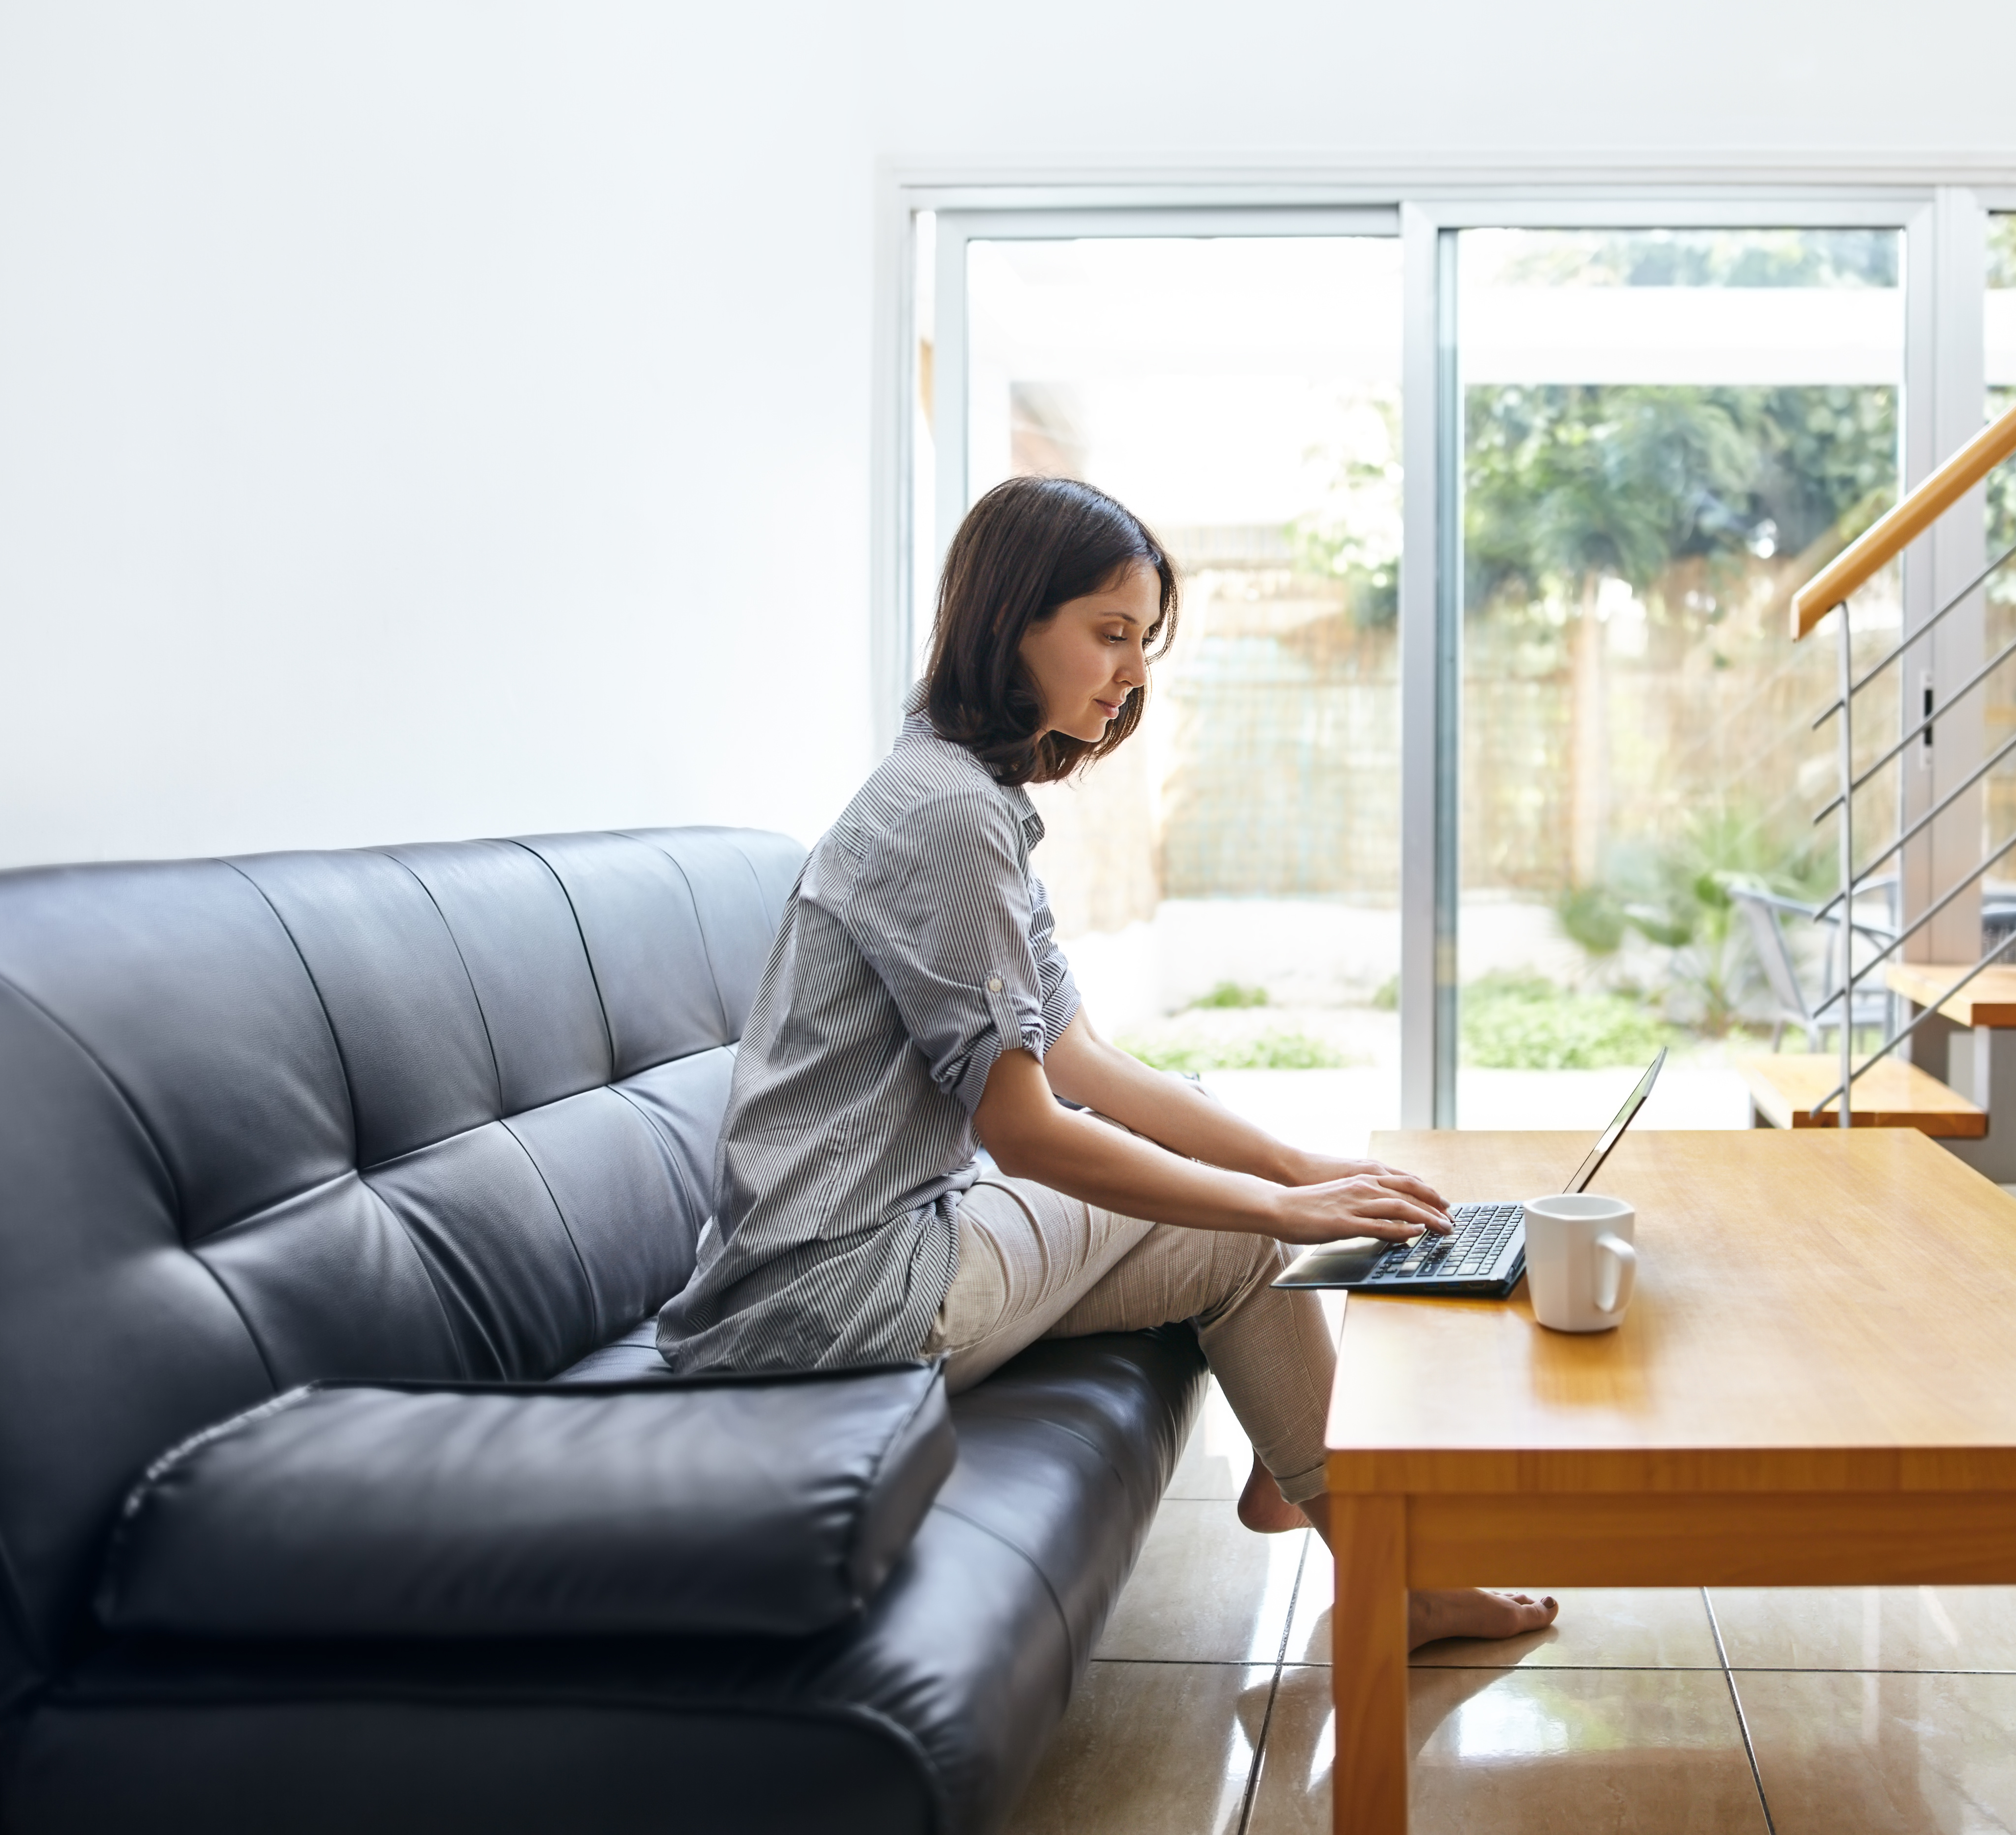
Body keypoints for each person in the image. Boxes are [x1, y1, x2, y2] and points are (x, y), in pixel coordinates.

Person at [659, 474, 1555, 1651]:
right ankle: (1360, 1525)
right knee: (1240, 1227)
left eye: (1144, 643)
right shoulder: (944, 813)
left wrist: (1300, 1166)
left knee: (1235, 1224)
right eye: (1111, 634)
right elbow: (1029, 1129)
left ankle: (1327, 1492)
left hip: (842, 1276)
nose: (1132, 673)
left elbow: (1085, 1059)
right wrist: (1284, 1203)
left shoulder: (962, 791)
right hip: (840, 1301)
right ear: (1011, 621)